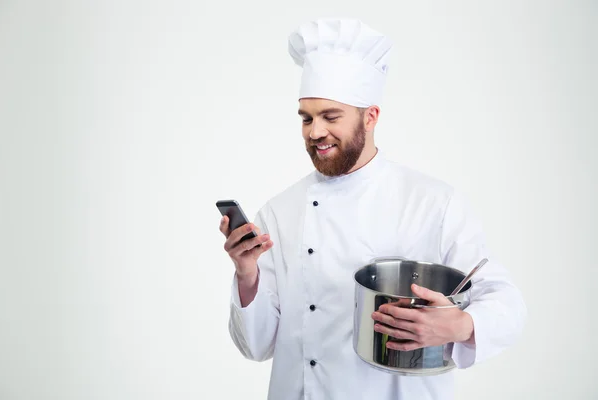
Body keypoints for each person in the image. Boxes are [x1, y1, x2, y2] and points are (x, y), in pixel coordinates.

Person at [218, 17, 526, 400]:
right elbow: (255, 347)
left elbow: (508, 305)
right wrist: (247, 275)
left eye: (331, 116)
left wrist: (460, 325)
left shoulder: (431, 201)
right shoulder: (279, 213)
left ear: (371, 116)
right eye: (307, 118)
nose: (315, 132)